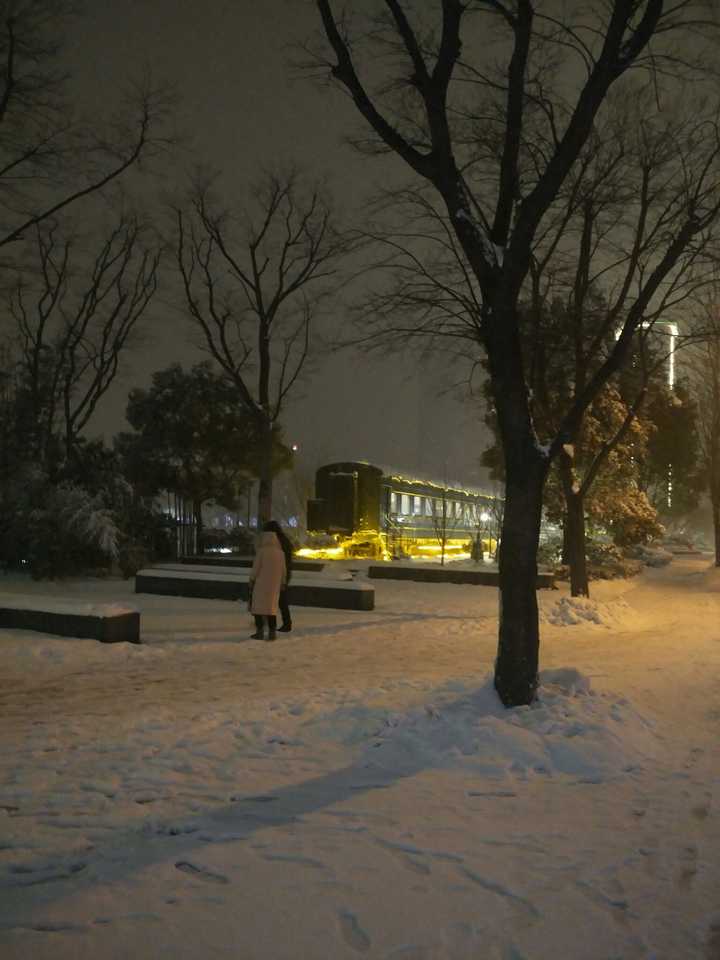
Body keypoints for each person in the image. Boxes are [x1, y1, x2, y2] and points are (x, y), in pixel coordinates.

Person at [248, 527, 286, 641]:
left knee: (258, 608)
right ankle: (272, 633)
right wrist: (282, 582)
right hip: (274, 586)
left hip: (261, 584)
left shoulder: (262, 551)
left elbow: (256, 568)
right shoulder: (281, 553)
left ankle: (259, 632)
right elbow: (284, 570)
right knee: (271, 609)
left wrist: (251, 579)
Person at [262, 520, 293, 632]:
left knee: (278, 600)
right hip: (283, 573)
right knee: (279, 600)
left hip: (278, 574)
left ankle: (283, 623)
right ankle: (284, 623)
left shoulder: (277, 542)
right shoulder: (283, 540)